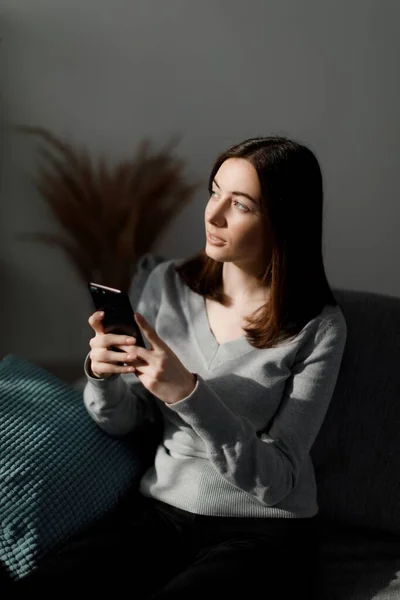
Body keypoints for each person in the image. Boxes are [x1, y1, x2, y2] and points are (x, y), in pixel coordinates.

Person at [15, 136, 347, 598]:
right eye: (214, 192)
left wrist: (188, 394)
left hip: (261, 533)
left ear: (283, 222)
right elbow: (127, 421)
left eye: (241, 205)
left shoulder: (320, 326)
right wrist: (102, 377)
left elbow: (280, 480)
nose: (213, 215)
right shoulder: (167, 284)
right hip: (161, 515)